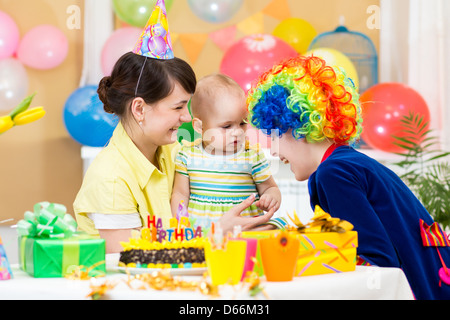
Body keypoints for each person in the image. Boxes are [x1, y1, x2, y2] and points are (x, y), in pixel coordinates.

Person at [73, 0, 274, 253]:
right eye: (178, 107)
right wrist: (217, 231)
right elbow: (129, 256)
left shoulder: (175, 153)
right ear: (139, 109)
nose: (187, 118)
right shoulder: (110, 179)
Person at [246, 55, 450, 300]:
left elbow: (375, 263)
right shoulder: (350, 162)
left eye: (274, 136)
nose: (274, 151)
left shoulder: (333, 173)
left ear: (295, 126)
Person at [171, 74, 282, 228]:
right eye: (227, 126)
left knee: (276, 227)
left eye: (242, 123)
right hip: (204, 233)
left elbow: (270, 187)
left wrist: (271, 197)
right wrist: (182, 224)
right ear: (199, 127)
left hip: (245, 230)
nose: (237, 132)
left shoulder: (252, 155)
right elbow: (180, 194)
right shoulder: (187, 156)